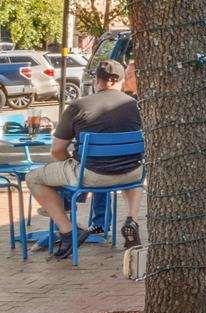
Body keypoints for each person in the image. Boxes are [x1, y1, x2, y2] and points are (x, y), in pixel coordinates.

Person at [27, 57, 143, 260]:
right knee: (128, 165)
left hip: (91, 175)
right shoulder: (137, 106)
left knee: (33, 178)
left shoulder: (78, 106)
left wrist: (70, 163)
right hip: (133, 175)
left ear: (97, 81)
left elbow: (57, 150)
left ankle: (67, 230)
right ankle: (132, 219)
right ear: (121, 81)